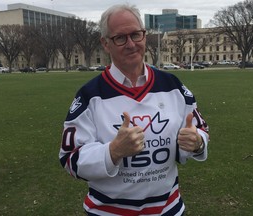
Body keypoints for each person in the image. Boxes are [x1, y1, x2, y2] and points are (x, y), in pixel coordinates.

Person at [59, 4, 209, 216]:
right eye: (120, 38)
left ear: (144, 36)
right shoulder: (90, 95)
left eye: (136, 35)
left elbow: (200, 130)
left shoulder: (173, 86)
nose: (131, 44)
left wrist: (197, 142)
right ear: (105, 43)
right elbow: (70, 158)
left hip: (169, 210)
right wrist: (113, 151)